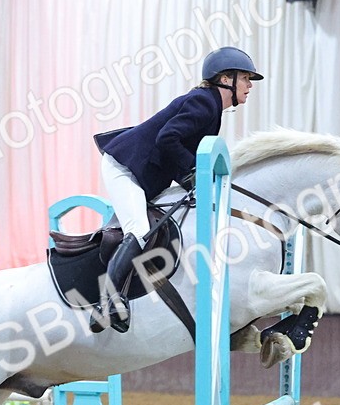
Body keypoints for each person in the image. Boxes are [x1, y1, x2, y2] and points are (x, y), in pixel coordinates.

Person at [90, 46, 263, 333]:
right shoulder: (204, 102)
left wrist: (190, 177)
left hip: (142, 170)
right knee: (139, 229)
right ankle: (108, 302)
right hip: (124, 167)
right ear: (225, 79)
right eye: (245, 78)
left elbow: (175, 147)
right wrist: (193, 172)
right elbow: (167, 138)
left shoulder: (210, 106)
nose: (249, 86)